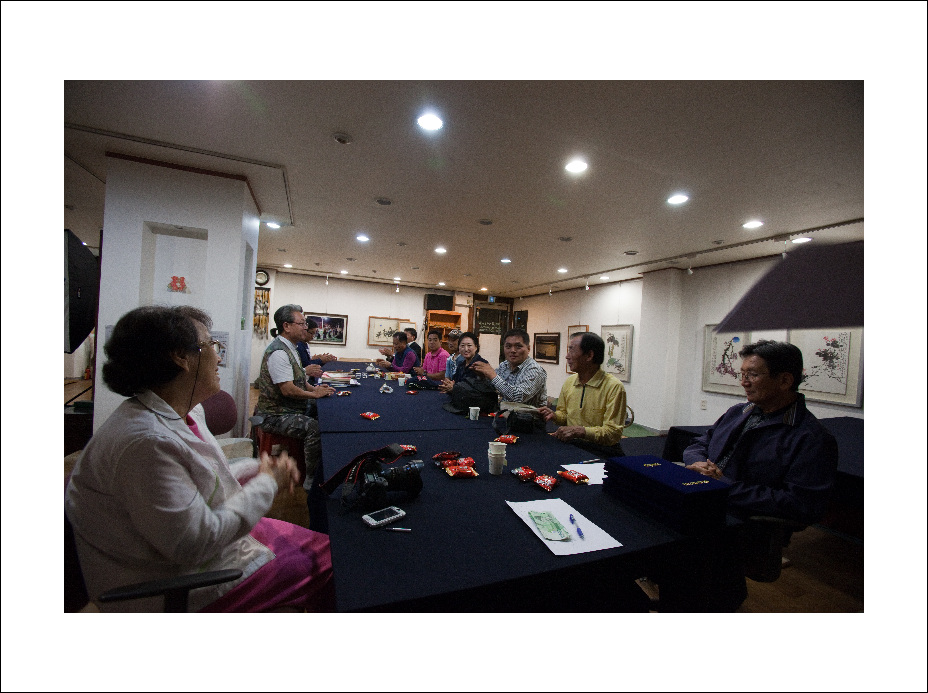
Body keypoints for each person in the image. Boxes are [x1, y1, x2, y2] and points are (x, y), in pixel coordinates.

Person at [65, 305, 334, 612]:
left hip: (211, 553)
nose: (219, 357)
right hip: (182, 582)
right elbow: (195, 543)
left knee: (324, 546)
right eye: (211, 346)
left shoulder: (186, 412)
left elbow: (205, 475)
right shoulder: (146, 442)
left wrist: (258, 469)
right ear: (180, 357)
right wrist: (267, 483)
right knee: (332, 564)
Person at [683, 340, 838, 524]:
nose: (744, 382)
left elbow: (800, 503)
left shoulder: (811, 437)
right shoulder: (737, 412)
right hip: (702, 495)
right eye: (742, 374)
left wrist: (725, 486)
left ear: (785, 381)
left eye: (753, 375)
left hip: (740, 518)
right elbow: (701, 443)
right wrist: (698, 463)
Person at [255, 304, 336, 532]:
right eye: (301, 324)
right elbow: (288, 389)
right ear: (287, 326)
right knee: (313, 427)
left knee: (323, 408)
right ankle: (310, 478)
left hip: (290, 407)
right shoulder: (279, 352)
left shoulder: (291, 348)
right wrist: (313, 395)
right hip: (275, 414)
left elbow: (300, 381)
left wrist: (315, 390)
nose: (305, 327)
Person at [538, 332, 627, 457]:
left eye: (572, 350)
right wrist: (555, 416)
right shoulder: (570, 382)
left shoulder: (613, 387)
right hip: (571, 445)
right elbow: (565, 415)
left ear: (589, 355)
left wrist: (581, 431)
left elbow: (612, 433)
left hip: (600, 451)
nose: (567, 356)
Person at [469, 328, 547, 407]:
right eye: (508, 346)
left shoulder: (535, 370)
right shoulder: (504, 365)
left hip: (527, 414)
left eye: (518, 346)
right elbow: (493, 387)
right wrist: (483, 376)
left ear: (528, 349)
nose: (512, 350)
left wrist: (492, 376)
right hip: (504, 412)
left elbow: (518, 397)